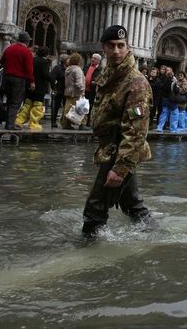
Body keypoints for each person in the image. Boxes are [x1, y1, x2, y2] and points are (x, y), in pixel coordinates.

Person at [82, 25, 155, 237]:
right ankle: (156, 238)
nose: (116, 51)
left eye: (121, 46)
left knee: (95, 209)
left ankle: (85, 254)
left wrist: (120, 167)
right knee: (132, 204)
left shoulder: (135, 82)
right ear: (104, 48)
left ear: (127, 47)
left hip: (119, 151)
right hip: (109, 146)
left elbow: (136, 130)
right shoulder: (109, 75)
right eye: (111, 46)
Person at [0, 32, 34, 130]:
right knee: (16, 102)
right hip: (18, 79)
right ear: (27, 42)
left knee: (9, 101)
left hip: (6, 77)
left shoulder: (9, 48)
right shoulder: (26, 51)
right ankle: (10, 124)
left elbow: (2, 61)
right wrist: (31, 81)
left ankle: (8, 123)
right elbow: (29, 69)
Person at [15, 46, 53, 131]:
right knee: (37, 106)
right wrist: (52, 79)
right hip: (39, 87)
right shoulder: (45, 62)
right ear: (46, 54)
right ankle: (33, 123)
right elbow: (45, 74)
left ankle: (19, 120)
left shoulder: (32, 60)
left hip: (29, 85)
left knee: (27, 104)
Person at [61, 52, 85, 130]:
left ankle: (65, 124)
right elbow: (78, 83)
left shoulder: (68, 69)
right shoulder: (77, 70)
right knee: (81, 108)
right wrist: (82, 91)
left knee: (68, 108)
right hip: (76, 92)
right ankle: (82, 124)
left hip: (68, 91)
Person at [49, 53, 68, 128]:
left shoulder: (70, 68)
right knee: (56, 106)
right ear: (64, 61)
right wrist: (53, 88)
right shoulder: (57, 68)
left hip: (67, 90)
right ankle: (53, 121)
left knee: (66, 107)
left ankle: (64, 122)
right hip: (59, 89)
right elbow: (52, 78)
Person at [84, 53, 102, 124]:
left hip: (93, 91)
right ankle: (82, 122)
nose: (92, 59)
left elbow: (100, 79)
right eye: (92, 58)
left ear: (98, 61)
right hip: (84, 90)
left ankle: (88, 122)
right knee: (83, 106)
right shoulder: (87, 66)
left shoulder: (100, 69)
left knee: (90, 106)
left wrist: (95, 82)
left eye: (94, 58)